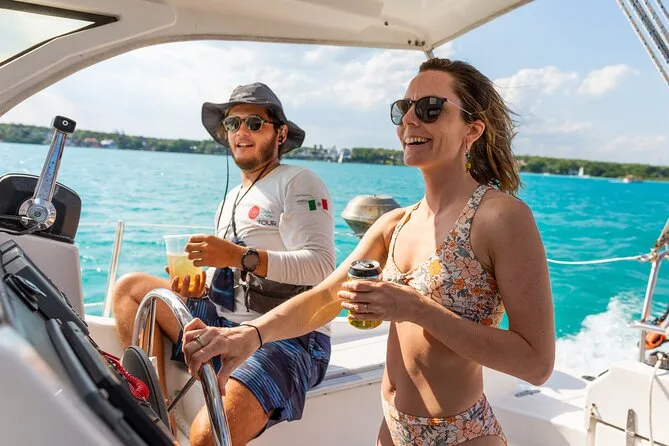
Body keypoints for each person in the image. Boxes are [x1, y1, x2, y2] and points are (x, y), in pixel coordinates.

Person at [180, 58, 556, 446]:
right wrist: (250, 336)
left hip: (463, 435)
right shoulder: (395, 224)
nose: (409, 120)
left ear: (472, 129)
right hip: (392, 429)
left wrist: (416, 308)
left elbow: (536, 363)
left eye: (430, 108)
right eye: (403, 108)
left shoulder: (501, 217)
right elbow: (325, 298)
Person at [111, 82, 336, 446]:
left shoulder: (299, 182)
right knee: (131, 290)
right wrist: (202, 284)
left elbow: (321, 266)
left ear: (280, 134)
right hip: (226, 320)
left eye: (254, 123)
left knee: (206, 437)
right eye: (233, 124)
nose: (241, 131)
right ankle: (158, 420)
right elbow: (235, 274)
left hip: (290, 335)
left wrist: (236, 256)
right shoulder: (231, 198)